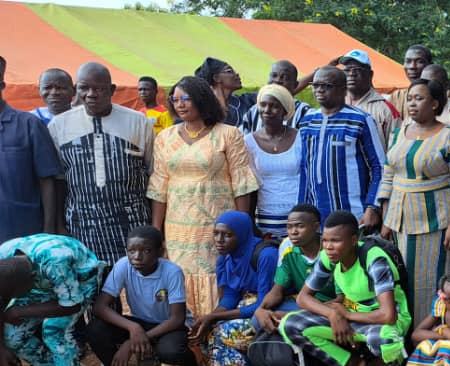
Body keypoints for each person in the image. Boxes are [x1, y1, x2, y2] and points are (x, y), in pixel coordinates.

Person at [147, 76, 259, 319]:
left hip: (217, 225)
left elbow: (242, 183)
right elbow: (159, 185)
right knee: (179, 276)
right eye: (175, 100)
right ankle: (186, 338)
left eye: (186, 98)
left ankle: (213, 332)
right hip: (177, 227)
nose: (180, 104)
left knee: (217, 276)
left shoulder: (228, 134)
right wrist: (157, 230)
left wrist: (241, 227)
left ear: (202, 99)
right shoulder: (165, 137)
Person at [279, 211, 412, 366]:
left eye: (335, 241)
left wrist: (346, 315)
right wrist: (333, 315)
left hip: (385, 319)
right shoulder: (327, 257)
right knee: (290, 325)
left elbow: (388, 315)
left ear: (353, 239)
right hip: (351, 315)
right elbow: (303, 298)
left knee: (384, 338)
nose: (328, 247)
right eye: (325, 241)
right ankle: (351, 364)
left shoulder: (374, 259)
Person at [377, 78, 450, 324]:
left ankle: (431, 332)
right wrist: (386, 218)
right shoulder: (398, 134)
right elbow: (388, 175)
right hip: (399, 222)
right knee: (401, 277)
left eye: (419, 98)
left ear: (435, 104)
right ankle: (404, 333)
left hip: (435, 222)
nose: (412, 103)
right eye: (410, 98)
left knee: (431, 279)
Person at [49, 62, 155, 267]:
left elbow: (153, 174)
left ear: (112, 90)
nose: (91, 94)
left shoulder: (137, 122)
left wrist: (154, 227)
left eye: (99, 88)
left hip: (132, 227)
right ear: (75, 89)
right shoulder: (59, 126)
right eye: (84, 88)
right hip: (81, 227)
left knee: (131, 289)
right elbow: (58, 181)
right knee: (90, 289)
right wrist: (59, 225)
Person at [0, 56, 62, 366]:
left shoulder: (27, 125)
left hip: (27, 235)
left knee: (33, 303)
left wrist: (50, 230)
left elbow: (49, 180)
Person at [87, 226, 201, 366]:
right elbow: (100, 307)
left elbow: (177, 319)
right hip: (140, 322)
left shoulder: (171, 271)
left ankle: (189, 363)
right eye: (132, 251)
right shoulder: (124, 265)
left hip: (170, 325)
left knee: (170, 351)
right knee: (95, 329)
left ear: (160, 252)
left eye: (146, 250)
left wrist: (131, 343)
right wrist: (134, 329)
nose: (137, 257)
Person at [0, 234, 102, 366]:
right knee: (13, 335)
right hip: (39, 287)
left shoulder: (55, 261)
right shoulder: (4, 258)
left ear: (30, 281)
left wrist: (20, 311)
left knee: (54, 331)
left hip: (80, 281)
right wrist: (1, 347)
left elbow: (71, 305)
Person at [188, 211, 277, 366]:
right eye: (216, 233)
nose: (219, 240)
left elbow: (264, 303)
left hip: (271, 309)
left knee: (221, 331)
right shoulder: (226, 259)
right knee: (208, 329)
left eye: (227, 235)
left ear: (243, 234)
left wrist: (214, 316)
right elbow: (229, 297)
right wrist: (210, 318)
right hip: (247, 306)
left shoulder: (265, 255)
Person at [296, 67, 385, 229]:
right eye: (315, 85)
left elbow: (379, 167)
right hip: (316, 216)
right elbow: (304, 168)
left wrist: (372, 207)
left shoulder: (360, 120)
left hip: (354, 215)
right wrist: (302, 209)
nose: (319, 90)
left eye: (327, 85)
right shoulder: (307, 121)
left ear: (344, 89)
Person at [251, 204, 337, 334]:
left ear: (316, 227)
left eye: (300, 226)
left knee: (292, 322)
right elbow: (277, 290)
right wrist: (261, 309)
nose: (293, 232)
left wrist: (293, 314)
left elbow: (342, 300)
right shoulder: (287, 246)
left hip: (332, 307)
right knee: (259, 320)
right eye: (289, 227)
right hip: (303, 304)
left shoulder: (331, 250)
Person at [243, 84, 303, 238]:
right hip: (264, 219)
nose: (267, 110)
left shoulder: (300, 138)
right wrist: (250, 222)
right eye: (263, 105)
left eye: (274, 106)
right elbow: (250, 186)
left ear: (285, 111)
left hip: (298, 218)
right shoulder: (248, 142)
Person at [341, 49, 400, 147]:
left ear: (370, 75)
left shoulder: (386, 110)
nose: (351, 74)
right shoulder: (336, 104)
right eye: (347, 70)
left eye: (357, 69)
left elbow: (396, 150)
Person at [239, 60, 312, 134]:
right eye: (274, 76)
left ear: (295, 85)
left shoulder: (303, 111)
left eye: (285, 78)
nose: (277, 80)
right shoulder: (254, 111)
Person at [194, 57, 253, 127]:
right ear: (216, 78)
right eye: (230, 71)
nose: (237, 74)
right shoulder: (203, 111)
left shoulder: (247, 100)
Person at [388, 45, 433, 119]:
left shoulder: (447, 97)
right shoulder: (396, 98)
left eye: (419, 61)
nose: (412, 67)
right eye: (408, 61)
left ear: (430, 65)